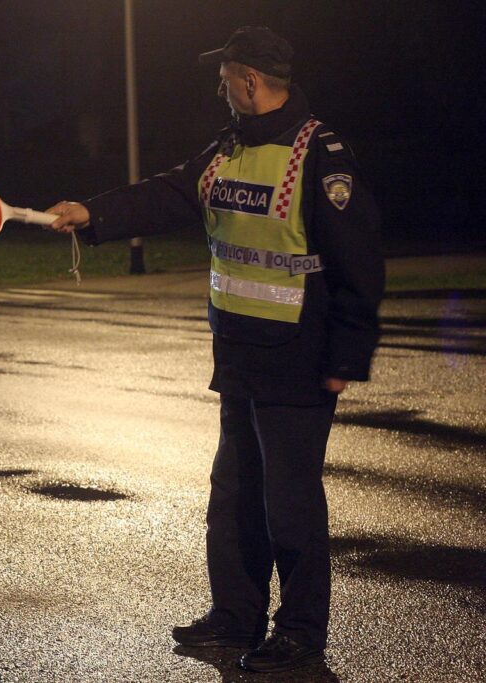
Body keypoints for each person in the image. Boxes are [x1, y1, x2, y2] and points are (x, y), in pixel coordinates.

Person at [47, 26, 383, 674]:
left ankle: (301, 637)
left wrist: (345, 358)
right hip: (238, 355)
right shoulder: (228, 149)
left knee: (291, 508)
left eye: (224, 75)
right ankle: (234, 618)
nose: (218, 86)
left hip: (297, 360)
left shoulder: (320, 153)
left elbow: (359, 260)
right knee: (233, 498)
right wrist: (92, 213)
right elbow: (171, 191)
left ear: (250, 82)